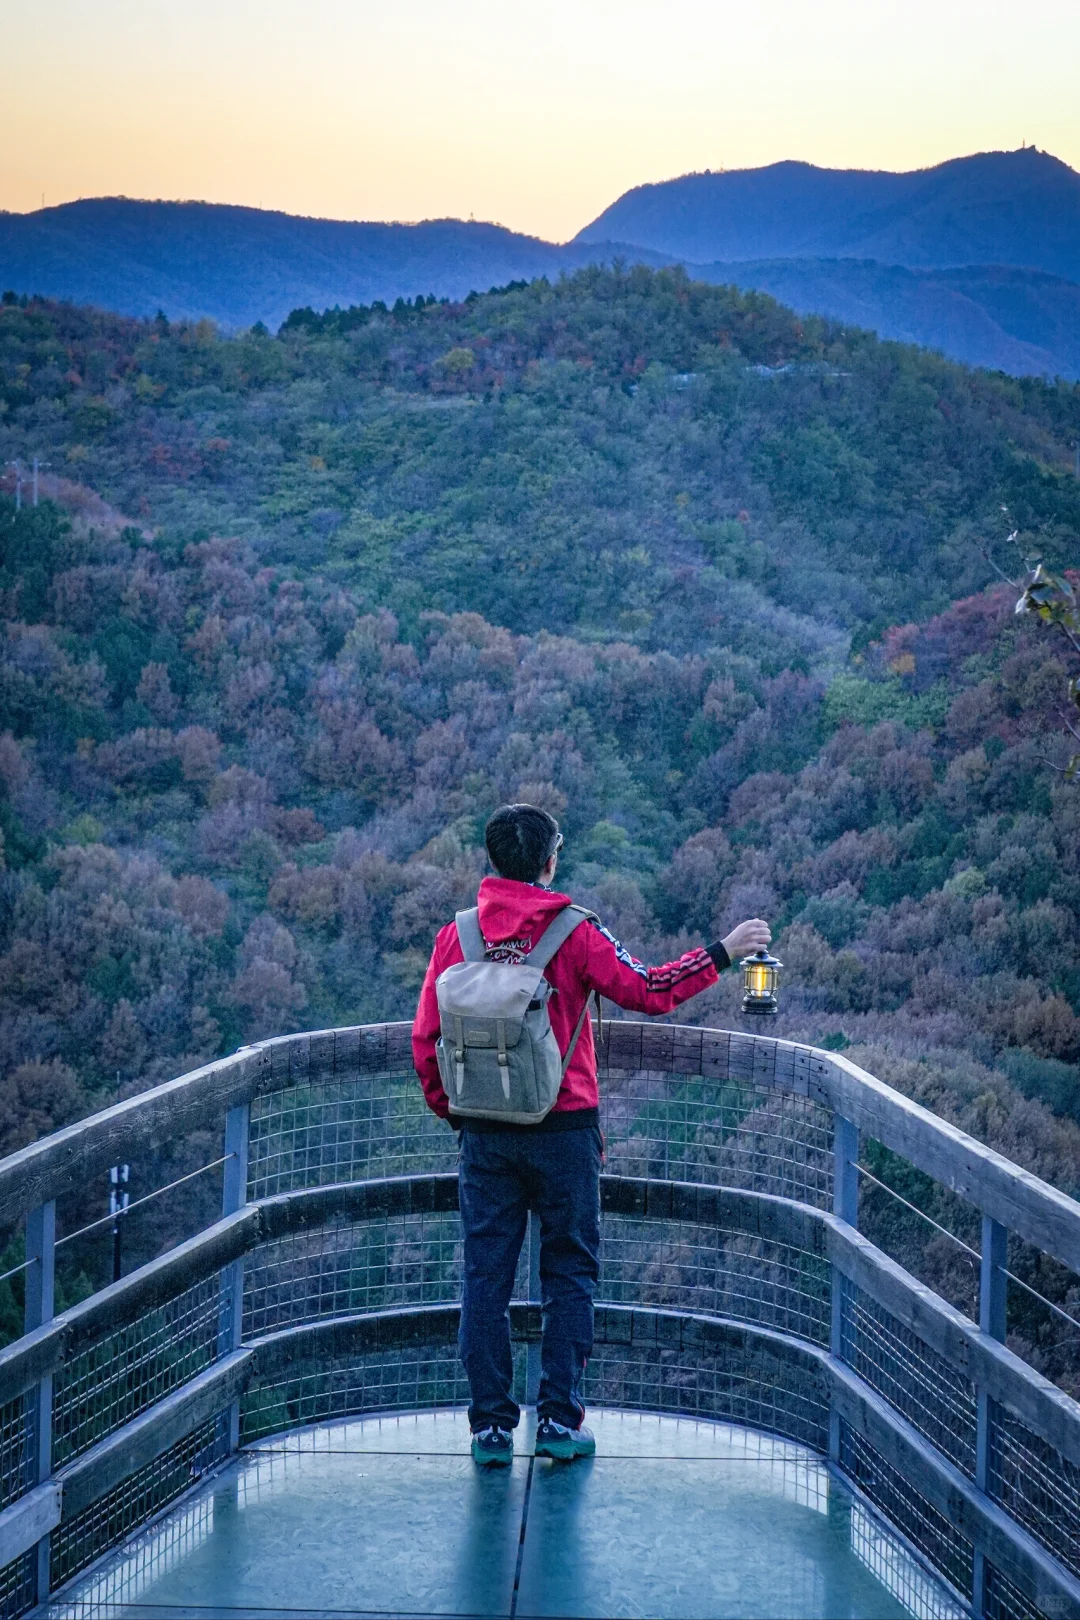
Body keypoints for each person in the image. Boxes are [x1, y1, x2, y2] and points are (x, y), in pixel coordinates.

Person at [412, 803, 770, 1467]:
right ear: (550, 862)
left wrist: (455, 1112)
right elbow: (646, 989)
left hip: (485, 1131)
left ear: (492, 862)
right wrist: (722, 953)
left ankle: (490, 1429)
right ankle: (556, 1420)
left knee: (484, 1279)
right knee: (569, 1273)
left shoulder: (454, 938)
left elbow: (425, 1039)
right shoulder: (574, 932)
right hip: (565, 1128)